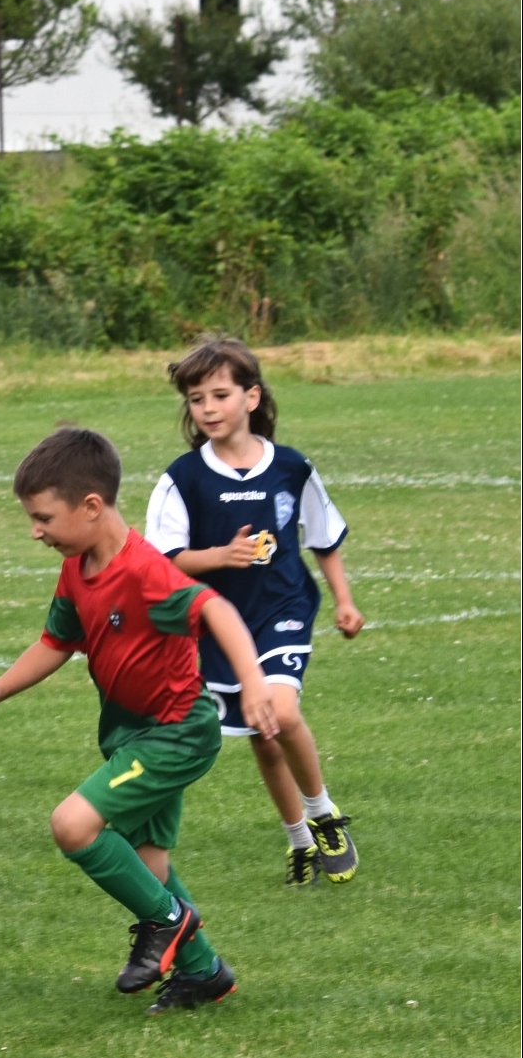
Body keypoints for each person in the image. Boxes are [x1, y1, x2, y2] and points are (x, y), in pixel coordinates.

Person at [0, 427, 277, 1014]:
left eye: (43, 518)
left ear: (90, 506)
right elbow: (57, 642)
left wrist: (254, 683)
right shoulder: (77, 567)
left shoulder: (145, 572)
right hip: (130, 731)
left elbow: (217, 608)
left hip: (175, 732)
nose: (35, 531)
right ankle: (203, 971)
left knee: (73, 825)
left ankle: (168, 922)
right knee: (148, 861)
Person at [146, 339, 365, 887]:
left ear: (251, 397)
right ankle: (300, 841)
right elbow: (164, 559)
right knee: (264, 734)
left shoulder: (291, 467)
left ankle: (323, 814)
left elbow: (323, 537)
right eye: (197, 399)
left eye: (220, 395)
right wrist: (220, 557)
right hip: (219, 623)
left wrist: (344, 600)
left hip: (283, 608)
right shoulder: (183, 478)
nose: (208, 408)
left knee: (281, 713)